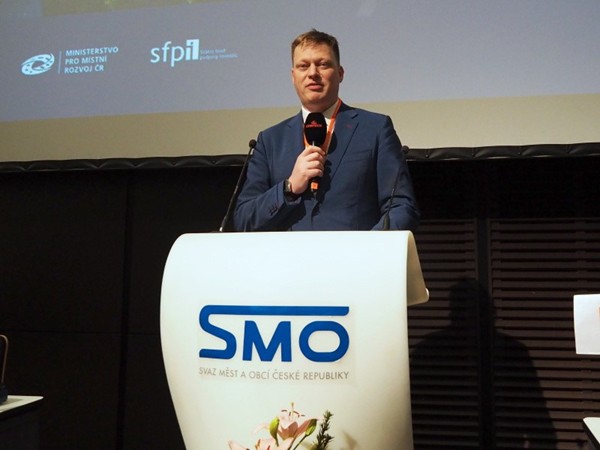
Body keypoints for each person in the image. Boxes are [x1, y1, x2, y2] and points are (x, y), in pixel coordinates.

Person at [233, 29, 419, 232]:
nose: (312, 73)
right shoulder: (270, 141)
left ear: (340, 73)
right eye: (303, 66)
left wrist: (368, 246)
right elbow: (244, 219)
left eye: (322, 64)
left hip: (355, 252)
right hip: (288, 253)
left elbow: (401, 207)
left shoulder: (375, 129)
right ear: (293, 76)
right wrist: (289, 188)